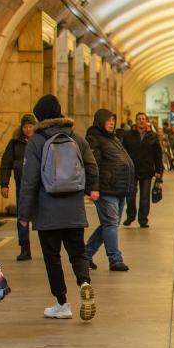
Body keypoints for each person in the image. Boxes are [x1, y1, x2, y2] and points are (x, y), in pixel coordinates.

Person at [17, 94, 100, 321]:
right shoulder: (75, 136)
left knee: (52, 257)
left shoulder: (36, 141)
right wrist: (92, 189)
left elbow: (29, 180)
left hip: (47, 212)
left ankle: (62, 303)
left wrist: (24, 214)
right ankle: (84, 283)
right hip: (74, 210)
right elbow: (91, 165)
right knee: (78, 252)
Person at [83, 108, 134, 272]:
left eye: (113, 120)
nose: (112, 123)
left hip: (118, 189)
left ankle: (85, 255)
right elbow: (93, 165)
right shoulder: (94, 139)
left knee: (109, 224)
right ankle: (115, 259)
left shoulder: (113, 138)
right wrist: (94, 188)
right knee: (111, 224)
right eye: (108, 120)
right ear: (100, 121)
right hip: (106, 189)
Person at [0, 113, 37, 261]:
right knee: (22, 217)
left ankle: (49, 246)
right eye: (25, 127)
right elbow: (6, 164)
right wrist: (4, 184)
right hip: (22, 186)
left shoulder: (39, 141)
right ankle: (24, 248)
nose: (28, 129)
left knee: (42, 216)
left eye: (30, 126)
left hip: (39, 185)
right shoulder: (14, 143)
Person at [122, 111, 163, 228]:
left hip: (147, 171)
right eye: (139, 119)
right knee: (130, 196)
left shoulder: (153, 136)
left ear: (146, 121)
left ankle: (143, 219)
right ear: (136, 121)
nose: (141, 121)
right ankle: (131, 216)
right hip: (132, 171)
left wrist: (159, 170)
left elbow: (158, 154)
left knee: (145, 197)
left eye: (143, 119)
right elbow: (123, 152)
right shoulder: (128, 135)